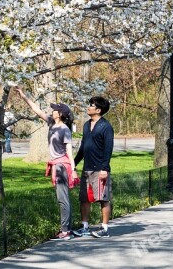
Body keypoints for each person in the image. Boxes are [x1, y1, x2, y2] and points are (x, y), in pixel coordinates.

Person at [17, 88, 79, 240]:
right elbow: (37, 110)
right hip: (56, 165)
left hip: (62, 166)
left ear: (61, 114)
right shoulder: (51, 123)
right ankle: (67, 229)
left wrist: (74, 169)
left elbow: (69, 152)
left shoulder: (65, 130)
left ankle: (65, 231)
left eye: (55, 110)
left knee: (62, 199)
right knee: (62, 198)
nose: (53, 111)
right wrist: (24, 95)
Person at [72, 96, 114, 239]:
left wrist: (104, 168)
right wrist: (74, 164)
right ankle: (84, 227)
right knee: (84, 199)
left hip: (100, 169)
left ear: (98, 110)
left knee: (104, 199)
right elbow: (83, 147)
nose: (88, 107)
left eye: (91, 105)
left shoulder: (106, 127)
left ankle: (104, 229)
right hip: (87, 168)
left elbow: (108, 149)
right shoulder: (86, 125)